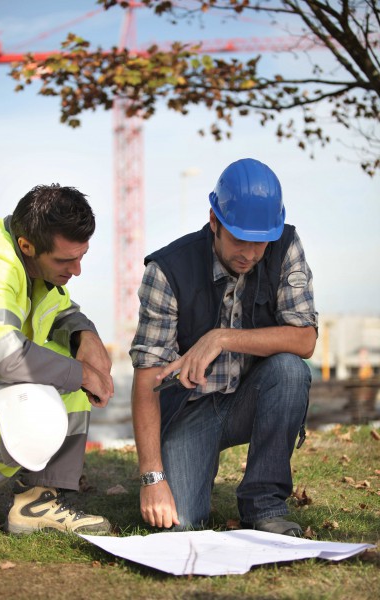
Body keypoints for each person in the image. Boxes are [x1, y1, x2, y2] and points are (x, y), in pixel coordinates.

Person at [130, 158, 318, 537]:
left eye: (260, 240)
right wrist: (152, 478)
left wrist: (220, 337)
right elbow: (147, 377)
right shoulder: (166, 271)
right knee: (178, 524)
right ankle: (182, 470)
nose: (250, 252)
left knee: (290, 370)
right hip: (190, 409)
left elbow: (304, 339)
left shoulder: (285, 245)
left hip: (251, 396)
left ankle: (264, 505)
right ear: (214, 221)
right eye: (238, 239)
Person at [0, 184, 114, 535]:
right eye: (65, 260)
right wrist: (83, 373)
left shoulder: (34, 265)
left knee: (65, 371)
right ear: (27, 246)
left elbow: (61, 309)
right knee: (68, 379)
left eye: (81, 256)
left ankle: (37, 505)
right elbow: (5, 356)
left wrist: (85, 335)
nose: (77, 270)